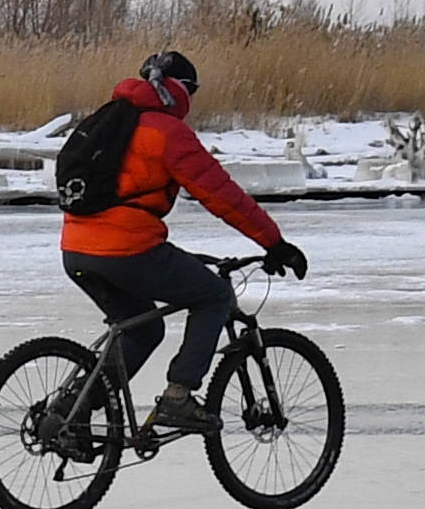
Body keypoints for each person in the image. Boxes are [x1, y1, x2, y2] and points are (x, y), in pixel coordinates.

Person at [63, 49, 306, 433]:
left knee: (142, 329)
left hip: (77, 248)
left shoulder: (108, 120)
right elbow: (221, 194)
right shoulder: (166, 132)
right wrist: (273, 242)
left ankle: (69, 411)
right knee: (213, 295)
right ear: (183, 92)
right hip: (127, 249)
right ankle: (178, 399)